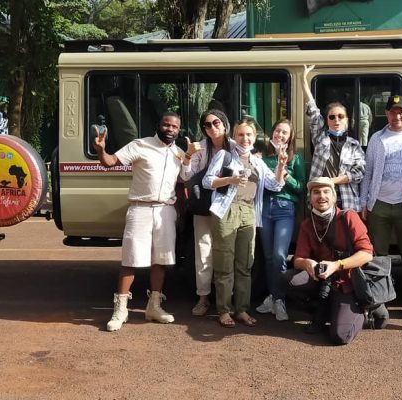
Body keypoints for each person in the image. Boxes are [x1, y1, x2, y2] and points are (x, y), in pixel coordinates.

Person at [93, 111, 190, 332]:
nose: (170, 129)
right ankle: (120, 310)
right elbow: (110, 162)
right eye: (166, 125)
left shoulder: (179, 153)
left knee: (161, 260)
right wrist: (101, 150)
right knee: (130, 260)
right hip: (140, 209)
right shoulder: (140, 145)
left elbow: (185, 179)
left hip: (166, 210)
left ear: (179, 130)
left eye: (174, 127)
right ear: (159, 125)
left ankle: (153, 307)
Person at [203, 118, 287, 328]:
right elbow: (207, 181)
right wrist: (229, 180)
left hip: (248, 212)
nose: (245, 138)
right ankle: (224, 310)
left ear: (255, 136)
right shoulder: (224, 155)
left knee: (245, 265)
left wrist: (280, 166)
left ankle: (241, 309)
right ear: (234, 136)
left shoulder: (257, 161)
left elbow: (275, 185)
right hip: (226, 210)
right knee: (224, 264)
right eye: (241, 134)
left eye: (249, 134)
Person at [358, 95, 402, 319]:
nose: (397, 116)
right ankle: (379, 299)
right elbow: (367, 173)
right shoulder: (377, 138)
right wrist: (364, 202)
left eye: (401, 111)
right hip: (378, 205)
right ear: (387, 114)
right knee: (378, 255)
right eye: (393, 112)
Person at [289, 177, 373, 345]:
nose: (321, 196)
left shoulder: (348, 216)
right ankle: (325, 308)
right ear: (310, 198)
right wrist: (307, 263)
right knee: (288, 280)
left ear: (334, 197)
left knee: (340, 336)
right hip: (322, 279)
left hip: (347, 281)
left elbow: (367, 253)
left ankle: (363, 312)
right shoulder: (307, 224)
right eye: (316, 192)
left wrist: (337, 265)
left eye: (326, 192)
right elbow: (297, 259)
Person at [255, 119, 306, 321]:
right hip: (264, 207)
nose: (280, 135)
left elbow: (302, 188)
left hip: (285, 209)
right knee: (268, 257)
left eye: (285, 132)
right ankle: (273, 297)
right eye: (277, 131)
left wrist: (286, 174)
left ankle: (279, 299)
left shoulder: (296, 159)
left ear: (290, 137)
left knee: (279, 255)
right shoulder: (262, 157)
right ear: (272, 133)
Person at [183, 109, 231, 317]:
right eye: (207, 125)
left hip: (229, 206)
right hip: (203, 206)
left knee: (228, 251)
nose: (212, 127)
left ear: (225, 123)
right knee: (203, 251)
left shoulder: (236, 146)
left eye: (216, 122)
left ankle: (228, 299)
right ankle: (203, 297)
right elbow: (185, 175)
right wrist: (188, 154)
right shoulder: (199, 148)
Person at [302, 64, 365, 212]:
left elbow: (359, 172)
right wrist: (303, 79)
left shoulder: (354, 145)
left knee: (345, 235)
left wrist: (332, 181)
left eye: (341, 116)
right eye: (332, 117)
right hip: (321, 198)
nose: (336, 120)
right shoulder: (320, 138)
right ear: (327, 120)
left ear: (347, 120)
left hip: (346, 200)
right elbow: (312, 108)